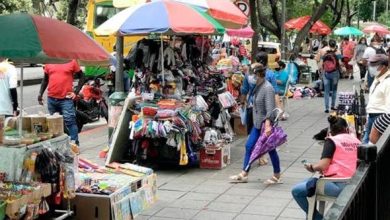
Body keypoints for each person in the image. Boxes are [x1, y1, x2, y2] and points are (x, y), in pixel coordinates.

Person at [292, 115, 361, 220]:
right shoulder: (357, 142)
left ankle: (318, 218)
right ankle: (312, 216)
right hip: (354, 184)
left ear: (330, 130)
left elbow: (322, 165)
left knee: (296, 190)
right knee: (309, 183)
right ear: (346, 129)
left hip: (336, 185)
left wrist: (311, 167)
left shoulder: (332, 141)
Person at [230, 63, 282, 184]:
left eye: (253, 75)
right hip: (258, 123)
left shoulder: (267, 88)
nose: (250, 78)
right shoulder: (257, 87)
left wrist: (268, 125)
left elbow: (270, 109)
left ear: (259, 75)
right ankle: (244, 173)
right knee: (249, 146)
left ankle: (277, 175)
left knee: (271, 149)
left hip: (265, 124)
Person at [38, 59, 85, 145]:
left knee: (70, 121)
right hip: (51, 99)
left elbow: (82, 76)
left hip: (66, 99)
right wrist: (40, 94)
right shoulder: (49, 61)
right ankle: (60, 143)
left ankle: (74, 143)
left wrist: (76, 92)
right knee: (54, 123)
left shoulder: (71, 61)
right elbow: (45, 80)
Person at [362, 54, 390, 144]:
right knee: (364, 149)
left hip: (380, 120)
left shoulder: (388, 82)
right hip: (371, 117)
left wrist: (379, 125)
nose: (370, 67)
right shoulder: (377, 78)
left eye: (373, 65)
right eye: (370, 64)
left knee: (371, 149)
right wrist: (368, 117)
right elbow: (372, 99)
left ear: (383, 67)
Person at [319, 39, 343, 113]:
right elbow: (340, 63)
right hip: (335, 73)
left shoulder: (325, 53)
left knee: (326, 91)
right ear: (335, 44)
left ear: (329, 45)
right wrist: (342, 69)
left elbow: (320, 64)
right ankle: (332, 106)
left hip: (326, 73)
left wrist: (321, 71)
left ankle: (326, 108)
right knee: (334, 90)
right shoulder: (338, 52)